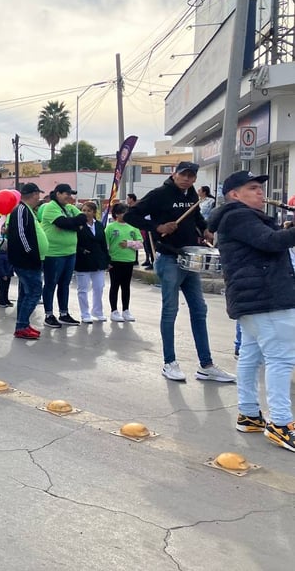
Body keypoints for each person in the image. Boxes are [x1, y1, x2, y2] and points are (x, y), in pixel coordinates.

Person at [124, 161, 235, 383]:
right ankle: (169, 363)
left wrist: (205, 230)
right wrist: (157, 228)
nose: (186, 178)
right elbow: (130, 216)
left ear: (194, 179)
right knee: (170, 311)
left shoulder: (192, 194)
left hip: (188, 260)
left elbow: (195, 217)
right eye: (183, 174)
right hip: (168, 258)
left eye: (191, 175)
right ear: (174, 174)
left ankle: (206, 365)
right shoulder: (159, 194)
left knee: (199, 310)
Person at [208, 170, 295, 451]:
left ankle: (249, 414)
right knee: (280, 359)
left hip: (254, 299)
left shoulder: (236, 217)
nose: (261, 193)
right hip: (267, 298)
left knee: (251, 355)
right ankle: (281, 424)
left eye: (260, 188)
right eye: (253, 188)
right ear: (235, 195)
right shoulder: (239, 215)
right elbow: (270, 242)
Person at [38, 184, 88, 327]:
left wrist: (71, 224)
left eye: (70, 194)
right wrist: (73, 225)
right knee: (51, 284)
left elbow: (82, 218)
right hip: (54, 254)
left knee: (65, 284)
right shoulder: (51, 207)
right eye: (66, 193)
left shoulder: (69, 207)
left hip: (70, 252)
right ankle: (48, 314)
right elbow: (62, 223)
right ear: (58, 193)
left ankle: (64, 313)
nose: (69, 196)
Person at [8, 183, 48, 340]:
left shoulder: (28, 210)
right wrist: (30, 253)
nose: (39, 197)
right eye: (38, 194)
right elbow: (21, 234)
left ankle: (23, 324)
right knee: (34, 291)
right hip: (26, 261)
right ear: (34, 194)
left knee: (27, 292)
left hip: (31, 260)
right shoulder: (21, 210)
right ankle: (22, 325)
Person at [105, 202, 143, 322]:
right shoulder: (110, 227)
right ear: (116, 214)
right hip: (115, 261)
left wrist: (129, 244)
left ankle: (126, 310)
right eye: (123, 213)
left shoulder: (133, 227)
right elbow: (105, 245)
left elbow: (141, 244)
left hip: (129, 260)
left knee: (126, 286)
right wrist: (107, 260)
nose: (125, 215)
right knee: (114, 286)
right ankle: (114, 311)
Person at [74, 201, 109, 324]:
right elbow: (73, 242)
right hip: (83, 261)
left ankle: (98, 312)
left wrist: (107, 260)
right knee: (83, 289)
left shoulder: (99, 225)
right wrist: (81, 250)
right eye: (83, 210)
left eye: (89, 210)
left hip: (98, 261)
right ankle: (85, 313)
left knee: (99, 287)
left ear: (94, 212)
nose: (86, 213)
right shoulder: (78, 225)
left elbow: (103, 244)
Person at [127, 192, 154, 269]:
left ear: (132, 199)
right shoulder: (130, 208)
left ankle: (152, 261)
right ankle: (147, 260)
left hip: (145, 229)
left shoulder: (138, 207)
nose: (127, 200)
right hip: (137, 228)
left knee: (148, 245)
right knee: (146, 245)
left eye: (128, 198)